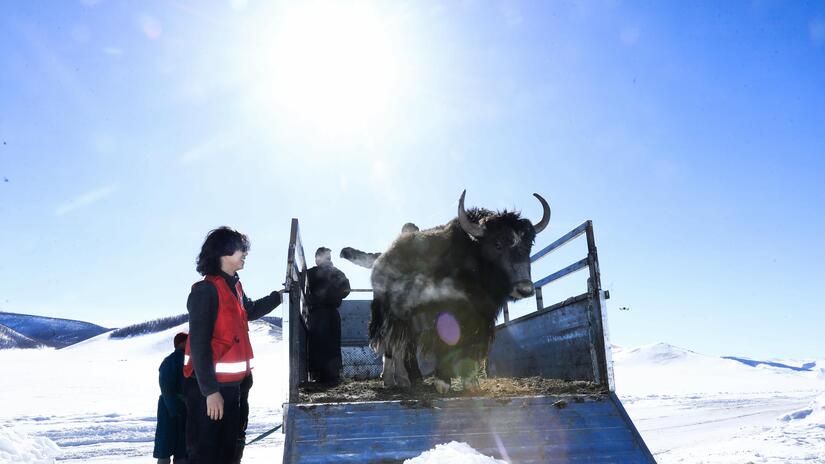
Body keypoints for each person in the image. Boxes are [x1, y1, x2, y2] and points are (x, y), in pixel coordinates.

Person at [183, 226, 282, 464]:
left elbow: (249, 311)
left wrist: (279, 296)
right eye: (241, 249)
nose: (245, 254)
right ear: (224, 252)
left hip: (233, 386)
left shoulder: (234, 286)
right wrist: (210, 391)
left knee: (228, 451)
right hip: (209, 389)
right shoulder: (206, 290)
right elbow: (199, 344)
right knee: (207, 454)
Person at [305, 247, 351, 384]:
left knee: (318, 343)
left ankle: (319, 376)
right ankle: (332, 376)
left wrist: (315, 298)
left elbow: (299, 284)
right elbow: (346, 289)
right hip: (331, 312)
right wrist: (334, 297)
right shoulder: (337, 273)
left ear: (317, 258)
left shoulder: (310, 273)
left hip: (317, 314)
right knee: (332, 344)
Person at [153, 332, 189, 464]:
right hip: (170, 410)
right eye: (188, 341)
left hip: (176, 408)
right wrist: (175, 410)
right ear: (181, 343)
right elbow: (166, 388)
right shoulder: (172, 361)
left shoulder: (187, 360)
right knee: (172, 447)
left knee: (172, 446)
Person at [340, 223, 419, 269]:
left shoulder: (423, 254)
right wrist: (349, 253)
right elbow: (371, 260)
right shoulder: (396, 254)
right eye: (407, 232)